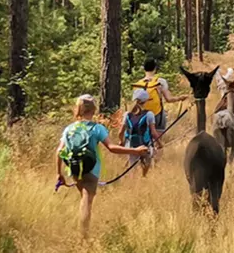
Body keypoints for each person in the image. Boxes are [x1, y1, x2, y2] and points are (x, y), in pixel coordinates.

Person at [58, 94, 149, 237]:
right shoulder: (97, 128)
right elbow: (112, 147)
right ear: (93, 109)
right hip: (91, 170)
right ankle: (83, 237)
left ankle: (83, 233)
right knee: (86, 201)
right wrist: (135, 151)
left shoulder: (69, 129)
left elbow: (59, 151)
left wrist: (59, 174)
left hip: (74, 169)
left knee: (83, 197)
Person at [120, 88, 158, 174]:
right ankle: (144, 178)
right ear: (145, 101)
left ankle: (133, 182)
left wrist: (121, 141)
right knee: (146, 165)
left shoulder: (127, 114)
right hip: (145, 145)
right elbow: (153, 132)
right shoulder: (149, 114)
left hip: (130, 146)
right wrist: (160, 143)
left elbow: (120, 132)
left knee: (132, 167)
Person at [133, 60, 173, 131]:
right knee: (158, 138)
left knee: (144, 138)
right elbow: (169, 99)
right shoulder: (160, 81)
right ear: (155, 68)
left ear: (144, 69)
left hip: (142, 116)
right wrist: (181, 98)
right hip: (157, 115)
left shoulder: (138, 84)